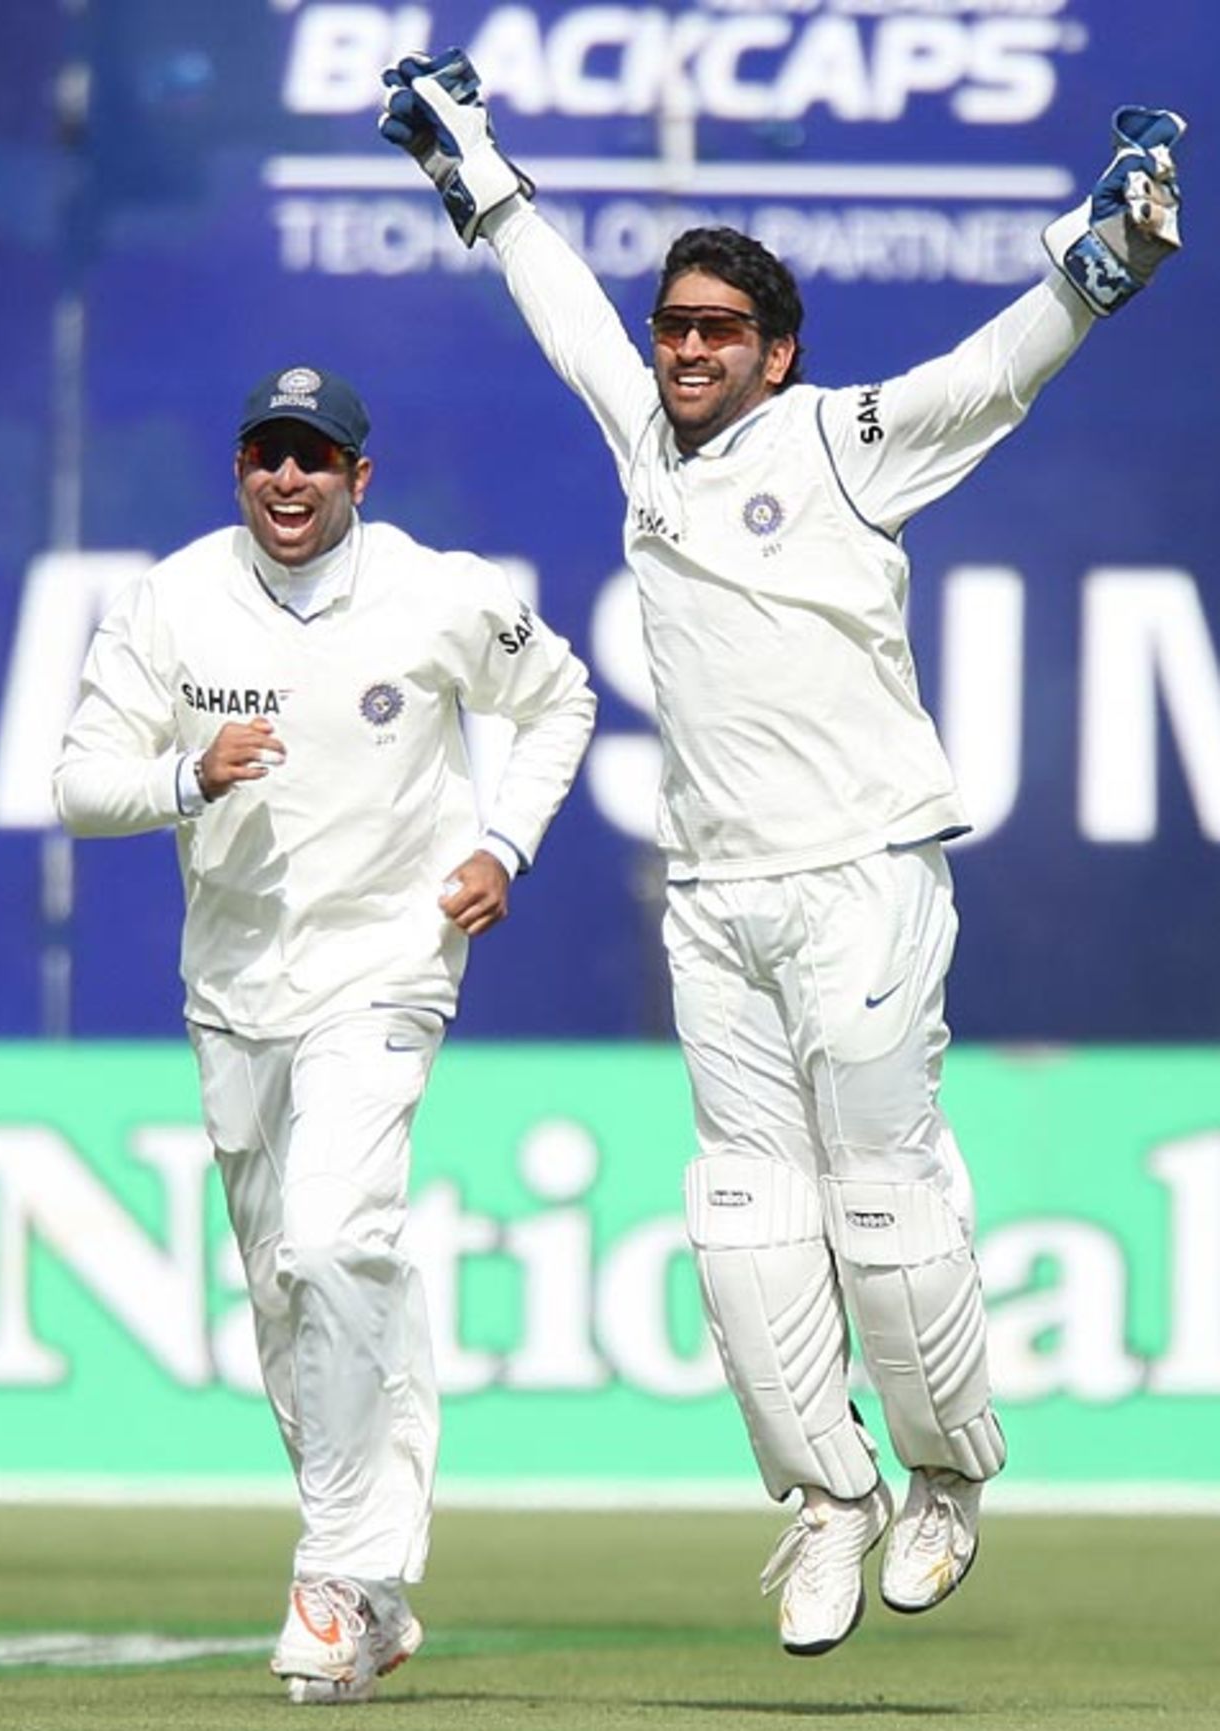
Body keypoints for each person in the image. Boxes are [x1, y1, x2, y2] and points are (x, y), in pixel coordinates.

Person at [380, 61, 1186, 1656]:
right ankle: (828, 1496)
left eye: (719, 332)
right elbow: (563, 313)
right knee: (745, 1216)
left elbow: (987, 377)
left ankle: (946, 1474)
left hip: (863, 874)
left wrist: (1105, 258)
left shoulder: (838, 441)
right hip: (714, 895)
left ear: (777, 351)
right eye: (675, 327)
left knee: (880, 1196)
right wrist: (468, 160)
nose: (685, 350)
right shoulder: (645, 445)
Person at [53, 364, 596, 1704]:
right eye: (268, 456)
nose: (288, 480)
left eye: (314, 458)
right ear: (240, 469)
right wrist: (188, 775)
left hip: (390, 958)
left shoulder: (436, 590)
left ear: (361, 475)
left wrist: (505, 842)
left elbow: (561, 697)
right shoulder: (172, 600)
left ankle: (339, 1571)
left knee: (338, 1234)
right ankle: (378, 1593)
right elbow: (78, 785)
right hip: (236, 983)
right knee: (290, 1292)